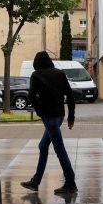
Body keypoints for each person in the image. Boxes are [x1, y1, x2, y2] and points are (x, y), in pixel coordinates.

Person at [20, 51, 77, 195]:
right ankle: (36, 181)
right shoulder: (59, 74)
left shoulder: (37, 75)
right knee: (43, 145)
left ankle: (70, 182)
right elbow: (70, 96)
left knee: (59, 148)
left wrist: (40, 111)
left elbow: (31, 96)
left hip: (49, 117)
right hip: (59, 116)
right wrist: (71, 117)